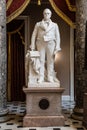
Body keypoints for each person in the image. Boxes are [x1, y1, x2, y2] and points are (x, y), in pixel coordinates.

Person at [30, 8, 61, 83]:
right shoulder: (38, 24)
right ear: (43, 14)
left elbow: (58, 36)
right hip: (41, 43)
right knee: (41, 61)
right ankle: (41, 77)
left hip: (51, 43)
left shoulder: (54, 25)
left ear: (50, 15)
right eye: (45, 13)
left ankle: (50, 77)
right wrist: (33, 46)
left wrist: (57, 47)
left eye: (48, 13)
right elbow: (34, 35)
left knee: (51, 61)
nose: (46, 15)